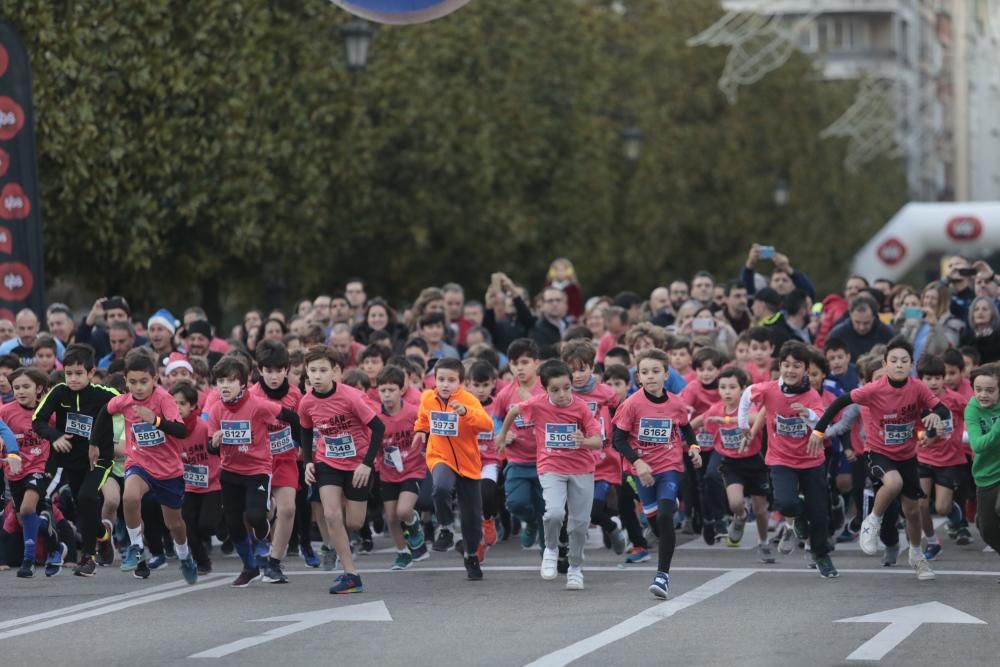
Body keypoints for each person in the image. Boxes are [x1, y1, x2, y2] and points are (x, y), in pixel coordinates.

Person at [812, 337, 949, 581]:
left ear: (911, 364)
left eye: (904, 361)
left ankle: (917, 556)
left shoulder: (917, 387)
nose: (898, 365)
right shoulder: (874, 389)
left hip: (907, 456)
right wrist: (819, 430)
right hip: (878, 453)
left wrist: (935, 420)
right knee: (893, 483)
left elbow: (941, 409)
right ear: (885, 364)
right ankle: (871, 522)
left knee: (914, 511)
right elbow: (841, 403)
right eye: (893, 360)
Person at [94, 349, 197, 584]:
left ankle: (184, 556)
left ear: (155, 379)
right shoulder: (125, 401)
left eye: (143, 382)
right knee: (129, 497)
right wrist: (93, 443)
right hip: (139, 462)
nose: (138, 387)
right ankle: (137, 548)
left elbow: (181, 431)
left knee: (175, 524)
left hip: (168, 469)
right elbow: (105, 411)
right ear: (126, 381)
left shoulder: (164, 399)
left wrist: (156, 420)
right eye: (132, 382)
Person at [498, 360, 601, 590]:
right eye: (555, 390)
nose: (562, 394)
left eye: (566, 387)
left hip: (582, 469)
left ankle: (575, 568)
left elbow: (598, 440)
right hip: (551, 466)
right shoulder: (537, 404)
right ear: (545, 390)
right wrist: (501, 435)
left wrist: (583, 441)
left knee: (579, 525)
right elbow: (514, 410)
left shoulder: (581, 408)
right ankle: (551, 550)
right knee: (554, 513)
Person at [612, 348, 702, 599]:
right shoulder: (631, 405)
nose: (650, 377)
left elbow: (687, 430)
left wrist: (694, 448)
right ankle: (664, 540)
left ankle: (662, 576)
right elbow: (618, 440)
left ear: (666, 374)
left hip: (669, 468)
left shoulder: (676, 403)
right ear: (638, 377)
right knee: (657, 523)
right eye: (644, 372)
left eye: (655, 371)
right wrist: (637, 462)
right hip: (642, 473)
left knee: (664, 515)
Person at [741, 341, 836, 577]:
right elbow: (746, 395)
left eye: (797, 366)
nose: (791, 370)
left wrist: (809, 415)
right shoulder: (770, 389)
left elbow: (824, 423)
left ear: (805, 368)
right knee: (786, 504)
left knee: (819, 513)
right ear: (780, 366)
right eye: (786, 365)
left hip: (811, 460)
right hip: (781, 459)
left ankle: (822, 556)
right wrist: (743, 424)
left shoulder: (811, 394)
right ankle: (798, 516)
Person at [298, 346, 385, 594]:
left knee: (354, 522)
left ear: (335, 372)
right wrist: (309, 462)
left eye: (323, 370)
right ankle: (351, 574)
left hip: (358, 463)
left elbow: (378, 429)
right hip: (328, 462)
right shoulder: (307, 402)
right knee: (331, 515)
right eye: (312, 370)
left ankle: (351, 533)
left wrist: (366, 465)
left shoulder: (351, 397)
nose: (317, 376)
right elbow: (305, 429)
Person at [207, 355, 299, 588]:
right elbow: (210, 445)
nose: (224, 386)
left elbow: (291, 417)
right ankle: (249, 567)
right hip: (229, 471)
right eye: (220, 381)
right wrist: (214, 443)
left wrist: (299, 443)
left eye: (230, 381)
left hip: (257, 469)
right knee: (233, 523)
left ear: (243, 383)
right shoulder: (217, 410)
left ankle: (263, 532)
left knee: (255, 517)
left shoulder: (257, 405)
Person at [32, 343, 119, 576]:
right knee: (83, 506)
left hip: (99, 459)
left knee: (88, 497)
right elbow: (37, 420)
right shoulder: (59, 392)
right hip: (70, 460)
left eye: (79, 374)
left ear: (91, 373)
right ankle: (103, 535)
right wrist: (56, 435)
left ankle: (88, 558)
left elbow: (130, 406)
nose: (73, 378)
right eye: (69, 373)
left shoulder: (104, 395)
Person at [414, 358, 492, 580]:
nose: (445, 384)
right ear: (434, 379)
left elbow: (486, 424)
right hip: (440, 457)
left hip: (468, 463)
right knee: (440, 487)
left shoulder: (469, 400)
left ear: (462, 382)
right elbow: (422, 417)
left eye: (451, 380)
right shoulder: (428, 397)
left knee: (471, 518)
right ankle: (446, 528)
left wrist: (466, 412)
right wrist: (420, 430)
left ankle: (470, 556)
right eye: (441, 379)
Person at [699, 367, 774, 562]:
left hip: (754, 462)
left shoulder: (748, 406)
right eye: (723, 387)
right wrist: (681, 433)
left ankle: (764, 542)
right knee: (735, 503)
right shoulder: (716, 408)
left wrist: (728, 419)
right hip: (731, 463)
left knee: (760, 510)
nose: (727, 391)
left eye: (732, 387)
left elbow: (758, 418)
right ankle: (739, 517)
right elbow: (702, 419)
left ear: (743, 389)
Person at [561, 340, 626, 555]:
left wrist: (618, 438)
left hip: (603, 460)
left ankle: (612, 525)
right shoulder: (563, 393)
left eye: (583, 369)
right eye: (572, 370)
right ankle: (612, 526)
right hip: (574, 460)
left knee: (593, 508)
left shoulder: (606, 393)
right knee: (578, 511)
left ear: (592, 367)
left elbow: (622, 415)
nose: (577, 375)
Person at [1, 367, 65, 578]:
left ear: (39, 389)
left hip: (39, 469)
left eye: (26, 386)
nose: (20, 391)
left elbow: (60, 437)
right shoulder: (6, 412)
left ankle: (27, 561)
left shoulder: (49, 413)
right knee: (24, 517)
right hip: (14, 472)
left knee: (28, 508)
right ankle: (54, 544)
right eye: (17, 387)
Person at [249, 340, 303, 584]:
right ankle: (260, 544)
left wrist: (302, 445)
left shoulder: (294, 394)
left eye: (278, 370)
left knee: (288, 508)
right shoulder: (251, 396)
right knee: (262, 513)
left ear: (286, 370)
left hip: (286, 458)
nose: (273, 376)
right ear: (260, 370)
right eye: (268, 371)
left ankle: (274, 562)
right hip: (257, 461)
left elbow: (302, 424)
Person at [914, 354, 969, 561]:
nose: (934, 382)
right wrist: (923, 436)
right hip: (924, 458)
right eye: (928, 378)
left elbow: (971, 413)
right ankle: (933, 541)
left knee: (942, 508)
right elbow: (915, 428)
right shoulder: (918, 402)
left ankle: (953, 510)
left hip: (950, 460)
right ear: (921, 379)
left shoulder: (955, 400)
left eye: (938, 377)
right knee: (920, 504)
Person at [492, 339, 545, 549]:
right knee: (516, 503)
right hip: (517, 460)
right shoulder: (505, 394)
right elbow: (496, 418)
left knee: (545, 508)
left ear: (536, 363)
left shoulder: (546, 387)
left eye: (525, 362)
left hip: (545, 460)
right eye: (514, 363)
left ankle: (547, 553)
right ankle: (529, 522)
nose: (519, 368)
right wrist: (502, 435)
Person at [373, 366, 426, 571]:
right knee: (392, 516)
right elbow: (373, 445)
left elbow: (427, 432)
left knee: (403, 511)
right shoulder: (376, 418)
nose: (387, 395)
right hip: (388, 471)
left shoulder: (413, 413)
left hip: (412, 469)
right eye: (383, 390)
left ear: (401, 390)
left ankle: (414, 523)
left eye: (391, 390)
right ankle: (403, 553)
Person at [171, 381, 218, 575]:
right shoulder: (171, 431)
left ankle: (221, 523)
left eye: (182, 404)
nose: (178, 408)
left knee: (206, 526)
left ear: (192, 406)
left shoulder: (204, 427)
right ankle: (202, 562)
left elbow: (217, 449)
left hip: (213, 484)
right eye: (174, 404)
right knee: (188, 526)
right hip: (189, 486)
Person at [965, 363, 1000, 558]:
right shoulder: (972, 409)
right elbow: (977, 445)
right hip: (985, 473)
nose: (983, 395)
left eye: (990, 390)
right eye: (978, 390)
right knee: (985, 528)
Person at [826, 296, 894, 360]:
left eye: (866, 323)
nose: (861, 327)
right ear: (851, 315)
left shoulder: (887, 334)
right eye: (857, 322)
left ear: (874, 317)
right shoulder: (837, 335)